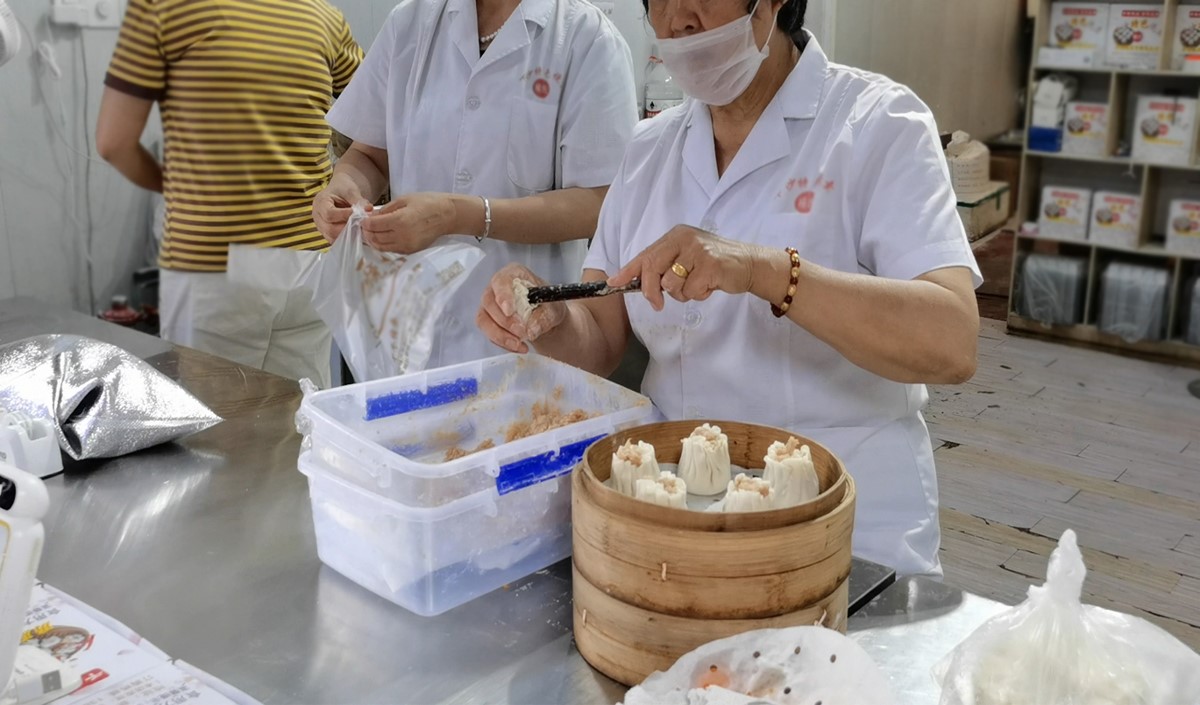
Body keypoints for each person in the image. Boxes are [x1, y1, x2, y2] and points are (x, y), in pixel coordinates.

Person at [478, 0, 982, 576]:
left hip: (845, 530)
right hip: (675, 516)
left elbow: (951, 341)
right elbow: (599, 338)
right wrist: (552, 318)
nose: (679, 18)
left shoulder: (877, 125)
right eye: (657, 0)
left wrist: (764, 270)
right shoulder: (648, 151)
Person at [312, 0, 638, 372]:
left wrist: (460, 215)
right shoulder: (410, 23)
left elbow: (600, 202)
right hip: (410, 343)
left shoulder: (586, 38)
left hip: (522, 347)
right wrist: (344, 188)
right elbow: (368, 155)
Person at [96, 0, 363, 387]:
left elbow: (113, 143)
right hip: (309, 260)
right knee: (299, 426)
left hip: (217, 263)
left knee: (214, 432)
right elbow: (379, 112)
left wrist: (184, 190)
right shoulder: (321, 14)